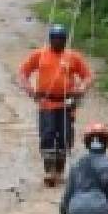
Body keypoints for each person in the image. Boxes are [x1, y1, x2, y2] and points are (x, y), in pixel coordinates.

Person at [15, 23, 93, 186]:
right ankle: (49, 170)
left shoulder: (73, 57)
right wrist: (29, 90)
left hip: (66, 103)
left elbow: (87, 76)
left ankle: (59, 170)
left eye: (61, 39)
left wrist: (81, 89)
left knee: (65, 137)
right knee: (47, 135)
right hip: (46, 103)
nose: (58, 42)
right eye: (55, 39)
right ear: (50, 39)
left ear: (65, 40)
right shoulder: (40, 55)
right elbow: (23, 72)